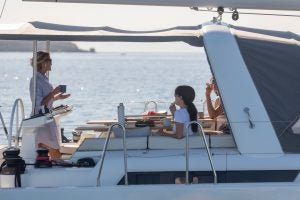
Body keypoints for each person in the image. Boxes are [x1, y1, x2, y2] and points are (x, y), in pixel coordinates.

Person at [30, 51, 70, 159]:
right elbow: (39, 103)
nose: (51, 64)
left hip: (47, 118)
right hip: (41, 119)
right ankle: (58, 167)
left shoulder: (43, 78)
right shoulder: (36, 80)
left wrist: (57, 97)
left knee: (50, 147)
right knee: (52, 148)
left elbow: (46, 100)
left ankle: (54, 166)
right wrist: (53, 93)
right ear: (43, 63)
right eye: (50, 61)